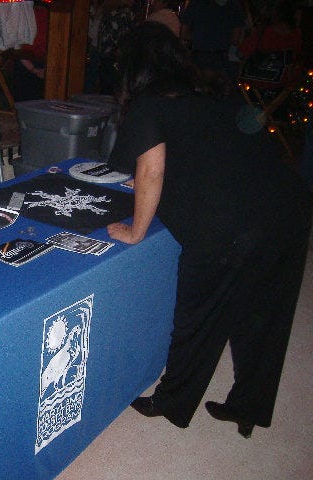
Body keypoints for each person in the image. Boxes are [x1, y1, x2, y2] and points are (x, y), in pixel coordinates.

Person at [106, 22, 312, 438]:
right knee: (265, 313)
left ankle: (172, 401)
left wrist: (135, 231)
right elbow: (214, 151)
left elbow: (152, 170)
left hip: (231, 220)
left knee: (198, 313)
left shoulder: (150, 104)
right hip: (289, 204)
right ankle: (248, 406)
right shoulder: (214, 92)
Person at [179, 0, 246, 87]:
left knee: (199, 92)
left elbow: (184, 34)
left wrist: (199, 36)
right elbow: (236, 39)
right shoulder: (233, 5)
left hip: (200, 56)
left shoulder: (196, 3)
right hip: (223, 59)